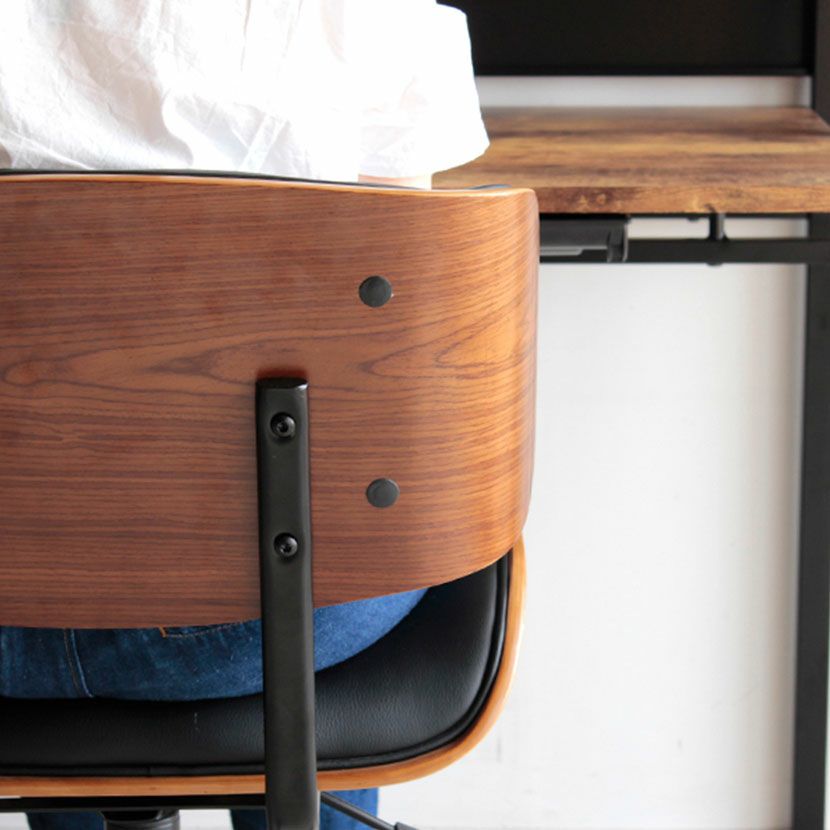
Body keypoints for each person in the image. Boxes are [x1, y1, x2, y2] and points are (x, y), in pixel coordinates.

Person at [0, 2, 488, 828]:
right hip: (284, 620)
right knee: (354, 522)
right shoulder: (369, 17)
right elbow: (389, 311)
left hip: (13, 616)